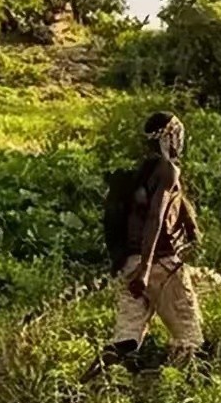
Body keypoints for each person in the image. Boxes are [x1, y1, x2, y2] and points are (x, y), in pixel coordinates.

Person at [82, 112, 202, 382]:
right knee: (189, 338)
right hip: (159, 266)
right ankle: (184, 395)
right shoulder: (167, 170)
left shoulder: (143, 172)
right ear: (170, 137)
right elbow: (155, 217)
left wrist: (139, 267)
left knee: (124, 340)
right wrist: (147, 268)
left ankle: (80, 388)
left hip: (131, 265)